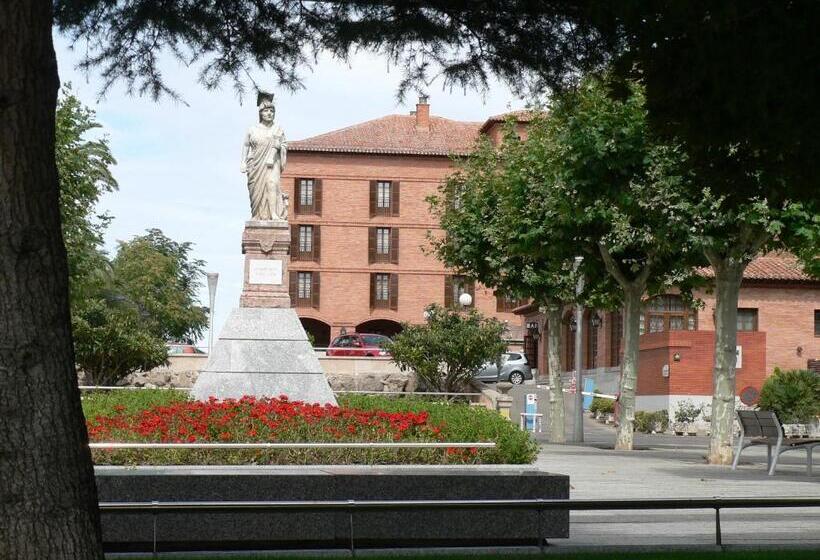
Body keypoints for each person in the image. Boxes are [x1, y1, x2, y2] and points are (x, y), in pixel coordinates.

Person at [240, 91, 288, 220]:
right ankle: (257, 214)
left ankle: (273, 214)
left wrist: (279, 147)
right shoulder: (252, 129)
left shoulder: (278, 129)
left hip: (272, 162)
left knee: (272, 184)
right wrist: (243, 162)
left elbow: (284, 145)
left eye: (272, 111)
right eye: (266, 111)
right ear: (260, 113)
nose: (269, 113)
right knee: (256, 190)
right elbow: (246, 145)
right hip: (255, 164)